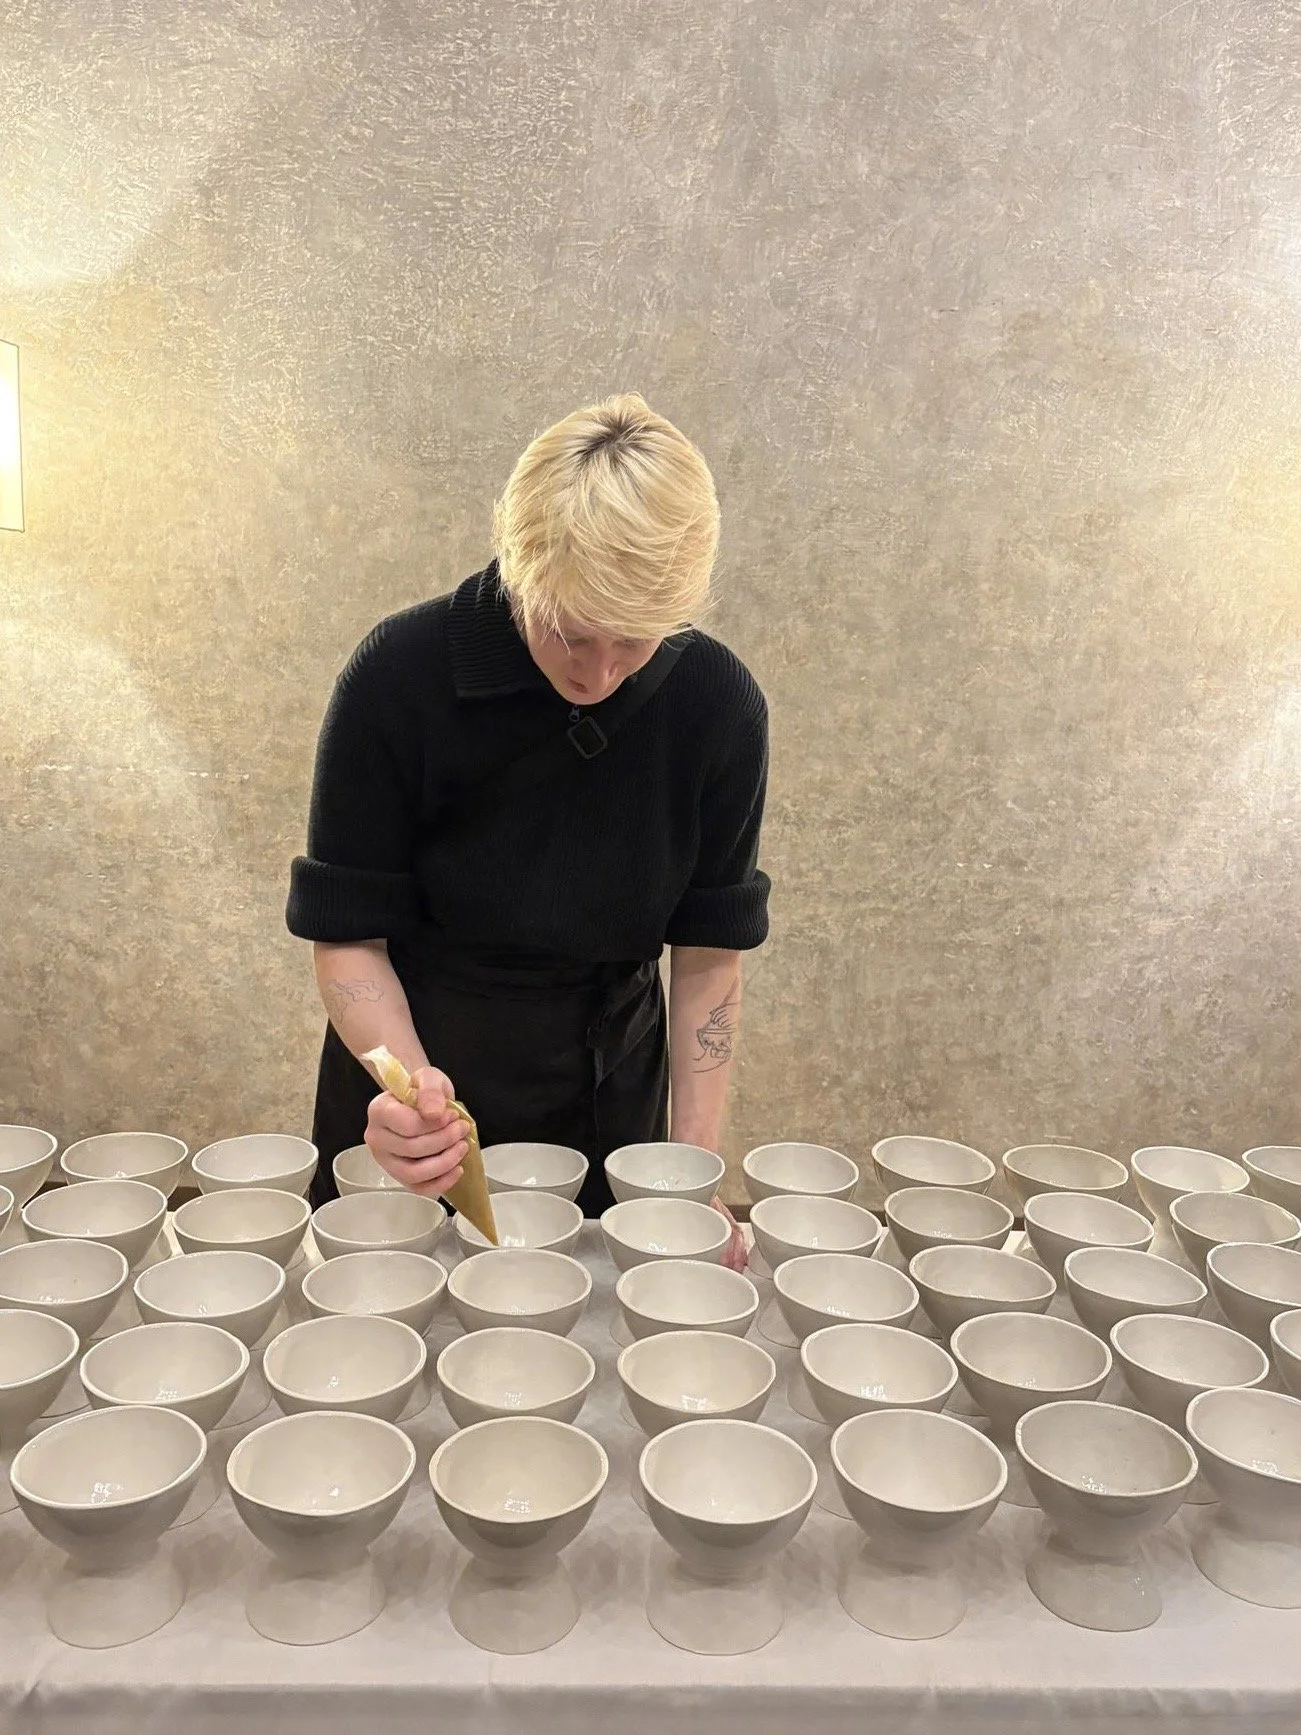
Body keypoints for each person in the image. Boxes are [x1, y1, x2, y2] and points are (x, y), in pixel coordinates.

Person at [285, 391, 770, 1267]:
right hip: (418, 1063)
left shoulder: (716, 703)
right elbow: (347, 934)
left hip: (609, 1081)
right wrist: (410, 1092)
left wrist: (689, 1175)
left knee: (602, 1318)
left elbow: (708, 954)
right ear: (519, 566)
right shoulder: (398, 675)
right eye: (571, 633)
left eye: (634, 641)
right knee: (385, 1318)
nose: (599, 673)